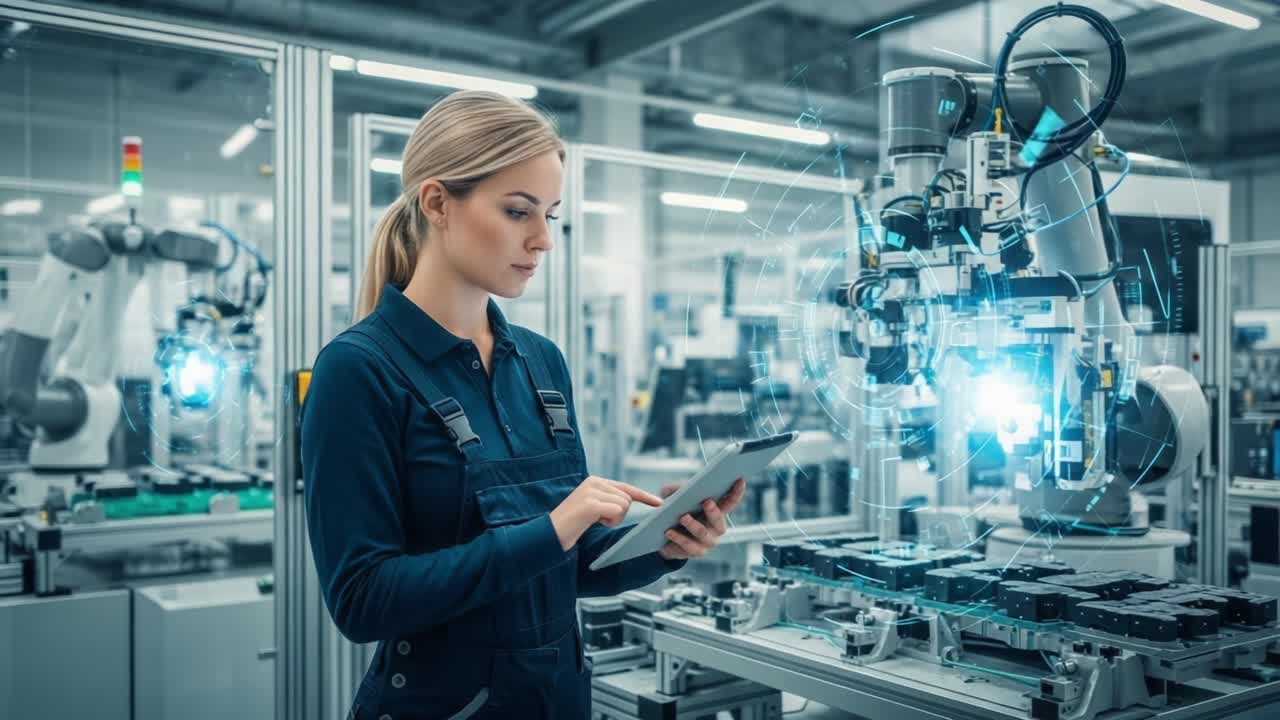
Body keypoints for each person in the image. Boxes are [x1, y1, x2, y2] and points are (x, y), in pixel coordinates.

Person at [301, 90, 746, 720]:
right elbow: (363, 601)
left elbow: (569, 569)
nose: (542, 241)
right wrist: (553, 528)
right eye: (518, 211)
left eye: (551, 215)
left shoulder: (541, 362)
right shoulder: (359, 369)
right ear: (437, 203)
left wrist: (663, 545)